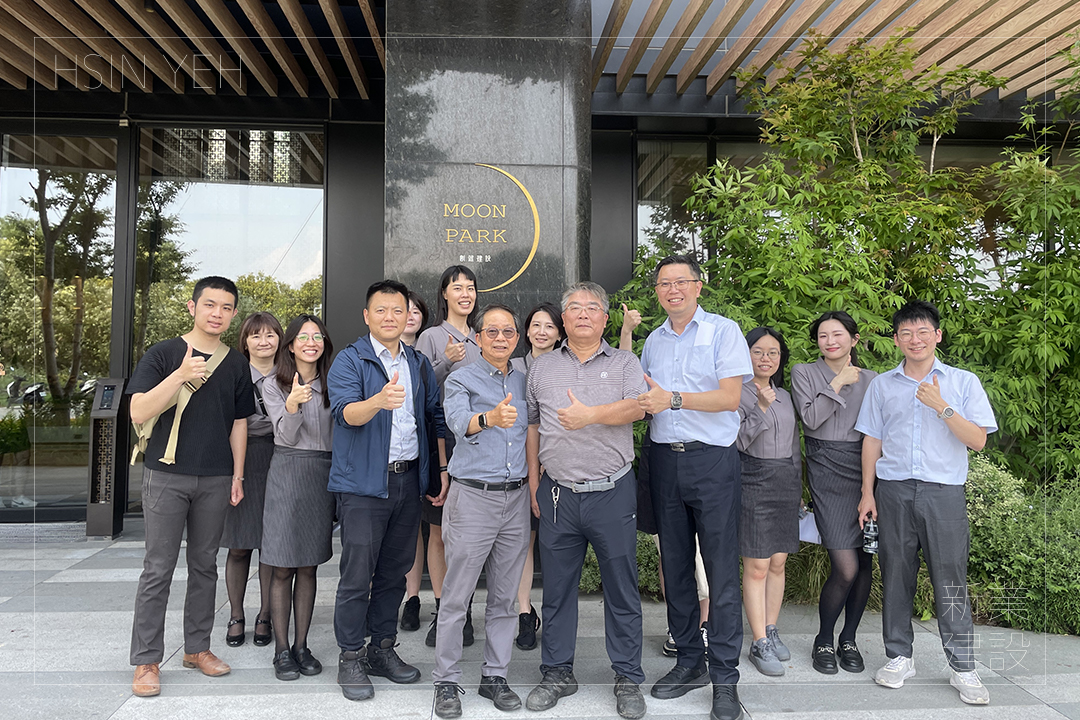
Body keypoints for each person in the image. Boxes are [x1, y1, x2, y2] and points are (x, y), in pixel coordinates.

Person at [855, 300, 997, 706]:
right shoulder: (882, 385)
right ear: (896, 339)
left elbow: (978, 440)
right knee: (896, 573)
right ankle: (899, 656)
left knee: (950, 577)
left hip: (943, 492)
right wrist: (867, 491)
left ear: (937, 335)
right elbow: (872, 439)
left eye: (922, 332)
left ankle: (963, 666)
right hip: (893, 490)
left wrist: (941, 406)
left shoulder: (963, 382)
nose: (914, 339)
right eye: (906, 333)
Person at [635, 255, 752, 720]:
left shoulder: (723, 331)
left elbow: (731, 397)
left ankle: (725, 678)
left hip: (712, 462)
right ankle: (689, 662)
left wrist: (674, 399)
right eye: (664, 283)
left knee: (721, 572)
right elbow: (647, 399)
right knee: (676, 567)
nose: (672, 289)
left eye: (681, 281)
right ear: (658, 292)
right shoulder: (653, 341)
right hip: (665, 461)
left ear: (698, 287)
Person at [127, 276, 255, 698]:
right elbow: (138, 410)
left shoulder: (235, 364)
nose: (217, 313)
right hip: (166, 475)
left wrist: (237, 475)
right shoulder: (164, 353)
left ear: (233, 314)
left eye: (226, 307)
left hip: (216, 477)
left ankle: (197, 648)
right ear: (192, 307)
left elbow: (239, 423)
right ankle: (147, 659)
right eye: (210, 304)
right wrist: (180, 375)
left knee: (204, 565)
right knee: (158, 568)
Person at [525, 281, 648, 720]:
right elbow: (533, 425)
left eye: (592, 307)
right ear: (563, 319)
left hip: (612, 492)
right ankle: (557, 671)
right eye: (574, 307)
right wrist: (534, 480)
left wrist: (590, 415)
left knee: (621, 589)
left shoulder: (624, 363)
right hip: (558, 494)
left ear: (605, 318)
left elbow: (638, 408)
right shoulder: (542, 368)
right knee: (557, 590)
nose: (582, 314)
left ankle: (628, 676)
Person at [328, 280, 448, 702]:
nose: (391, 317)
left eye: (398, 310)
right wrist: (378, 400)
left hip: (407, 480)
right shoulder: (350, 359)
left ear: (408, 316)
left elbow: (433, 417)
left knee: (395, 571)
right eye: (381, 310)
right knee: (357, 575)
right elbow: (344, 414)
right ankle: (350, 655)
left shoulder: (417, 362)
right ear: (367, 316)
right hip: (363, 484)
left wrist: (440, 470)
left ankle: (381, 648)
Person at [431, 304, 532, 718]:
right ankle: (446, 681)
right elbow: (457, 422)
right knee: (457, 596)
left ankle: (495, 675)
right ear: (477, 337)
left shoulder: (525, 380)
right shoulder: (461, 378)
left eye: (508, 332)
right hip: (473, 498)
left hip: (516, 499)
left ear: (517, 338)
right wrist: (489, 418)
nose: (501, 338)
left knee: (505, 598)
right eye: (492, 331)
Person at [620, 301, 711, 659]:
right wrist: (627, 332)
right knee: (669, 549)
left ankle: (706, 625)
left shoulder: (715, 340)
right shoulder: (655, 343)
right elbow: (629, 379)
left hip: (704, 456)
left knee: (706, 548)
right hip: (660, 455)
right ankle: (679, 626)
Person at [790, 310, 877, 675]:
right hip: (826, 468)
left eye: (838, 334)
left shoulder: (873, 380)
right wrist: (839, 381)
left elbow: (879, 431)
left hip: (867, 470)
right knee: (846, 566)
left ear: (854, 340)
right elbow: (811, 420)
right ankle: (824, 637)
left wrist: (871, 486)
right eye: (823, 335)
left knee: (865, 562)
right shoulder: (804, 373)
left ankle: (849, 638)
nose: (830, 341)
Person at [260, 315, 336, 681]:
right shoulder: (273, 383)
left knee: (309, 565)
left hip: (323, 475)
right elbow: (286, 437)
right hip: (288, 470)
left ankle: (302, 646)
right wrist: (292, 405)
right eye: (303, 337)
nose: (311, 342)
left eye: (317, 336)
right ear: (290, 345)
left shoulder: (334, 381)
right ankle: (281, 649)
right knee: (282, 566)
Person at [415, 266, 482, 647]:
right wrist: (444, 361)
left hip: (479, 445)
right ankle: (443, 610)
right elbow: (418, 389)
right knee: (438, 531)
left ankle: (465, 610)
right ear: (444, 293)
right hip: (441, 442)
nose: (465, 294)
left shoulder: (483, 335)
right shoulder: (431, 336)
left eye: (470, 287)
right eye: (457, 287)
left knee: (468, 535)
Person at [736, 327, 801, 677]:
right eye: (758, 351)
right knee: (757, 566)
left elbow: (794, 445)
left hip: (785, 481)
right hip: (753, 479)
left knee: (778, 562)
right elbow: (737, 442)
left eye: (773, 352)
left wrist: (798, 488)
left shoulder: (786, 396)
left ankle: (771, 629)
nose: (766, 358)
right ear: (745, 355)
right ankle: (758, 641)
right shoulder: (737, 392)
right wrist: (760, 408)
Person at [221, 312, 281, 649]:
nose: (263, 341)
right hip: (240, 460)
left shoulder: (289, 373)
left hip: (280, 460)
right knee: (239, 543)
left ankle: (265, 615)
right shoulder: (234, 373)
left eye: (270, 334)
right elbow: (229, 421)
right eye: (255, 335)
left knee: (271, 545)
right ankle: (236, 614)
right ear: (245, 341)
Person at [514, 302, 565, 651]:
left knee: (554, 545)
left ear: (559, 333)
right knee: (522, 543)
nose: (542, 331)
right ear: (527, 332)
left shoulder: (567, 368)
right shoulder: (513, 368)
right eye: (536, 325)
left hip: (556, 469)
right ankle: (524, 613)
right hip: (517, 469)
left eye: (549, 326)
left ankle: (556, 614)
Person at [401, 290, 431, 632]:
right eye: (402, 310)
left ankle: (413, 597)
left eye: (414, 311)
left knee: (418, 526)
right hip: (385, 458)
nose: (409, 315)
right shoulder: (368, 357)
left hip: (422, 450)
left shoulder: (422, 358)